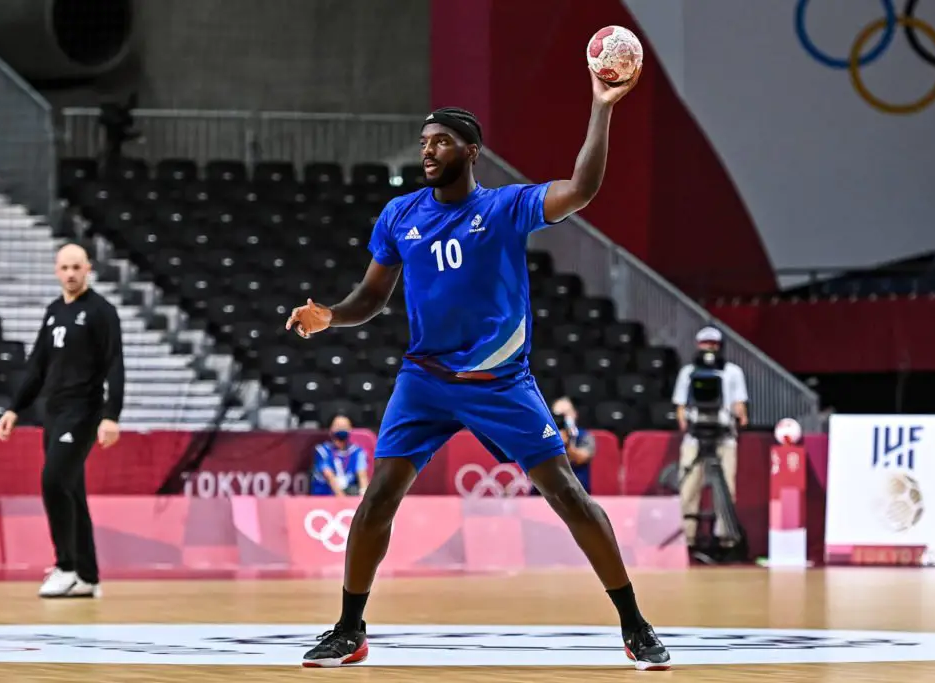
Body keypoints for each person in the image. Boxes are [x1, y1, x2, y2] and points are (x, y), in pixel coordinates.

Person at [286, 66, 670, 671]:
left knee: (567, 493)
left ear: (471, 151)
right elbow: (373, 298)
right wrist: (330, 316)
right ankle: (348, 629)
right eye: (423, 142)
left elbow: (581, 189)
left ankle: (634, 623)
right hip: (425, 380)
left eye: (441, 141)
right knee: (378, 496)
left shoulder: (505, 207)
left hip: (500, 381)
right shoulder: (399, 214)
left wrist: (602, 105)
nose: (428, 151)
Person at [0, 243, 125, 599]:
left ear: (88, 269)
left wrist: (111, 415)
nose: (70, 274)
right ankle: (87, 576)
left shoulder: (101, 311)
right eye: (64, 268)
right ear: (56, 271)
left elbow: (115, 363)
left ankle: (65, 566)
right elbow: (37, 365)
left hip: (82, 412)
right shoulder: (54, 311)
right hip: (52, 412)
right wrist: (15, 408)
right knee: (72, 490)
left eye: (76, 267)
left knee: (53, 481)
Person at [671, 326, 748, 547]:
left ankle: (725, 537)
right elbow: (680, 406)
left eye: (713, 344)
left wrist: (740, 415)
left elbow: (740, 406)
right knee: (689, 486)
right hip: (694, 437)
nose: (709, 348)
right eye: (705, 343)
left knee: (725, 489)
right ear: (698, 345)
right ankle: (686, 538)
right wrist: (685, 423)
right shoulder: (687, 373)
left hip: (724, 437)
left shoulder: (733, 372)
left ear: (720, 346)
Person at [311, 415, 370, 496]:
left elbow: (362, 476)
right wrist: (343, 500)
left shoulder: (357, 452)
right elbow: (329, 477)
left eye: (344, 426)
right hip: (325, 496)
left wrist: (363, 496)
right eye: (338, 426)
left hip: (349, 494)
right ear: (331, 429)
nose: (341, 429)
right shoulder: (322, 450)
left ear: (350, 429)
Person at [550, 396, 596, 493]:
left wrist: (567, 444)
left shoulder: (585, 436)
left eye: (566, 413)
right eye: (558, 415)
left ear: (575, 414)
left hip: (578, 491)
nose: (563, 418)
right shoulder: (545, 437)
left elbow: (582, 457)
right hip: (547, 491)